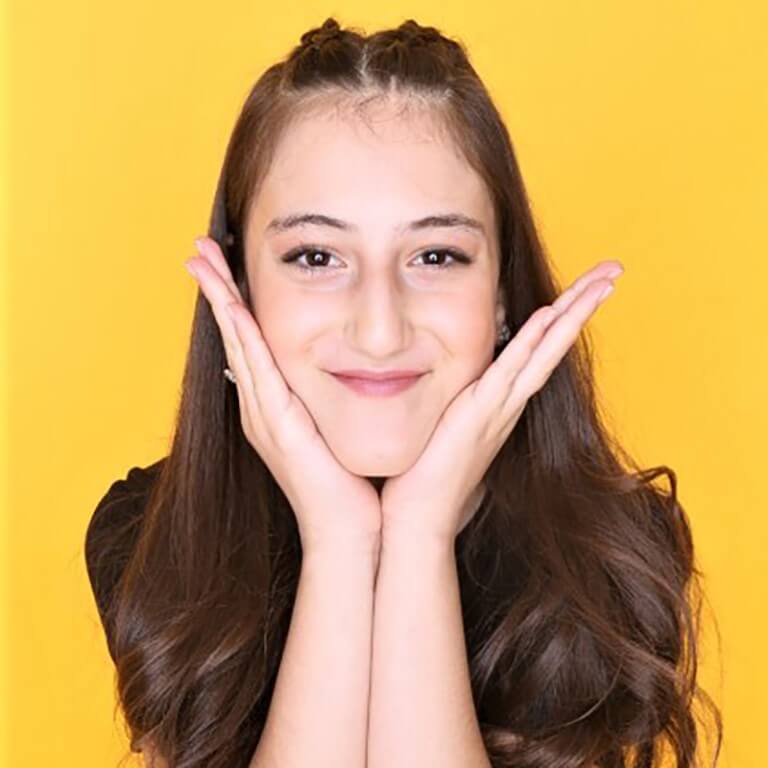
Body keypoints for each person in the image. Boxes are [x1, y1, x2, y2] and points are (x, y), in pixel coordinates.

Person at [84, 17, 722, 768]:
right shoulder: (158, 533)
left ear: (501, 293)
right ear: (240, 286)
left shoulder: (610, 554)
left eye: (436, 255)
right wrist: (342, 541)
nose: (381, 330)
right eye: (316, 256)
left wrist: (417, 535)